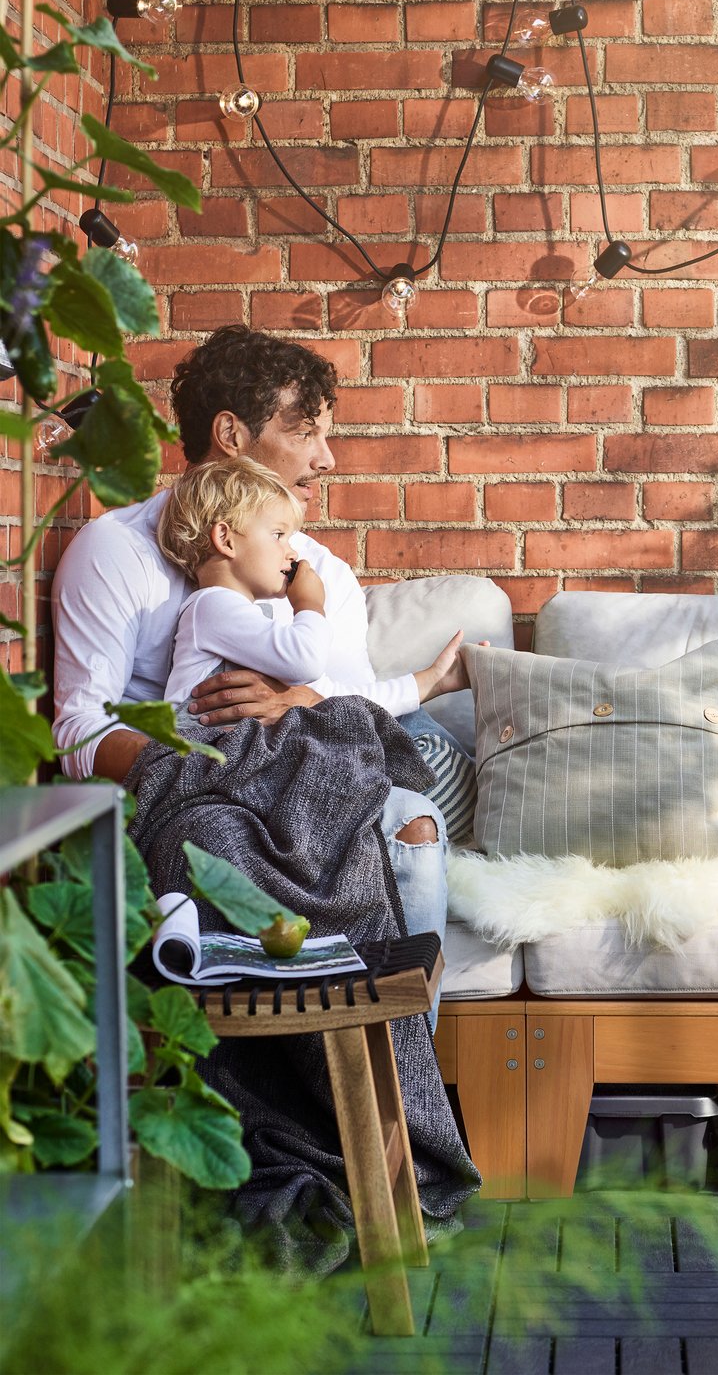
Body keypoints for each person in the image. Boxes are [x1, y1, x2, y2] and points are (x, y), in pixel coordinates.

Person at [52, 325, 466, 992]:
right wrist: (214, 768)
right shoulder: (116, 552)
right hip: (184, 783)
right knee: (216, 836)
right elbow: (77, 732)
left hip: (305, 775)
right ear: (231, 434)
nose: (327, 458)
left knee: (412, 820)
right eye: (306, 433)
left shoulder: (318, 572)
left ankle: (395, 1045)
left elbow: (354, 727)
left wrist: (302, 703)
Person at [156, 456, 461, 713]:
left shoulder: (255, 627)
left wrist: (434, 679)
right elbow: (305, 663)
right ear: (226, 539)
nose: (292, 552)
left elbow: (328, 698)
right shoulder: (210, 607)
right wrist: (310, 604)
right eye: (278, 535)